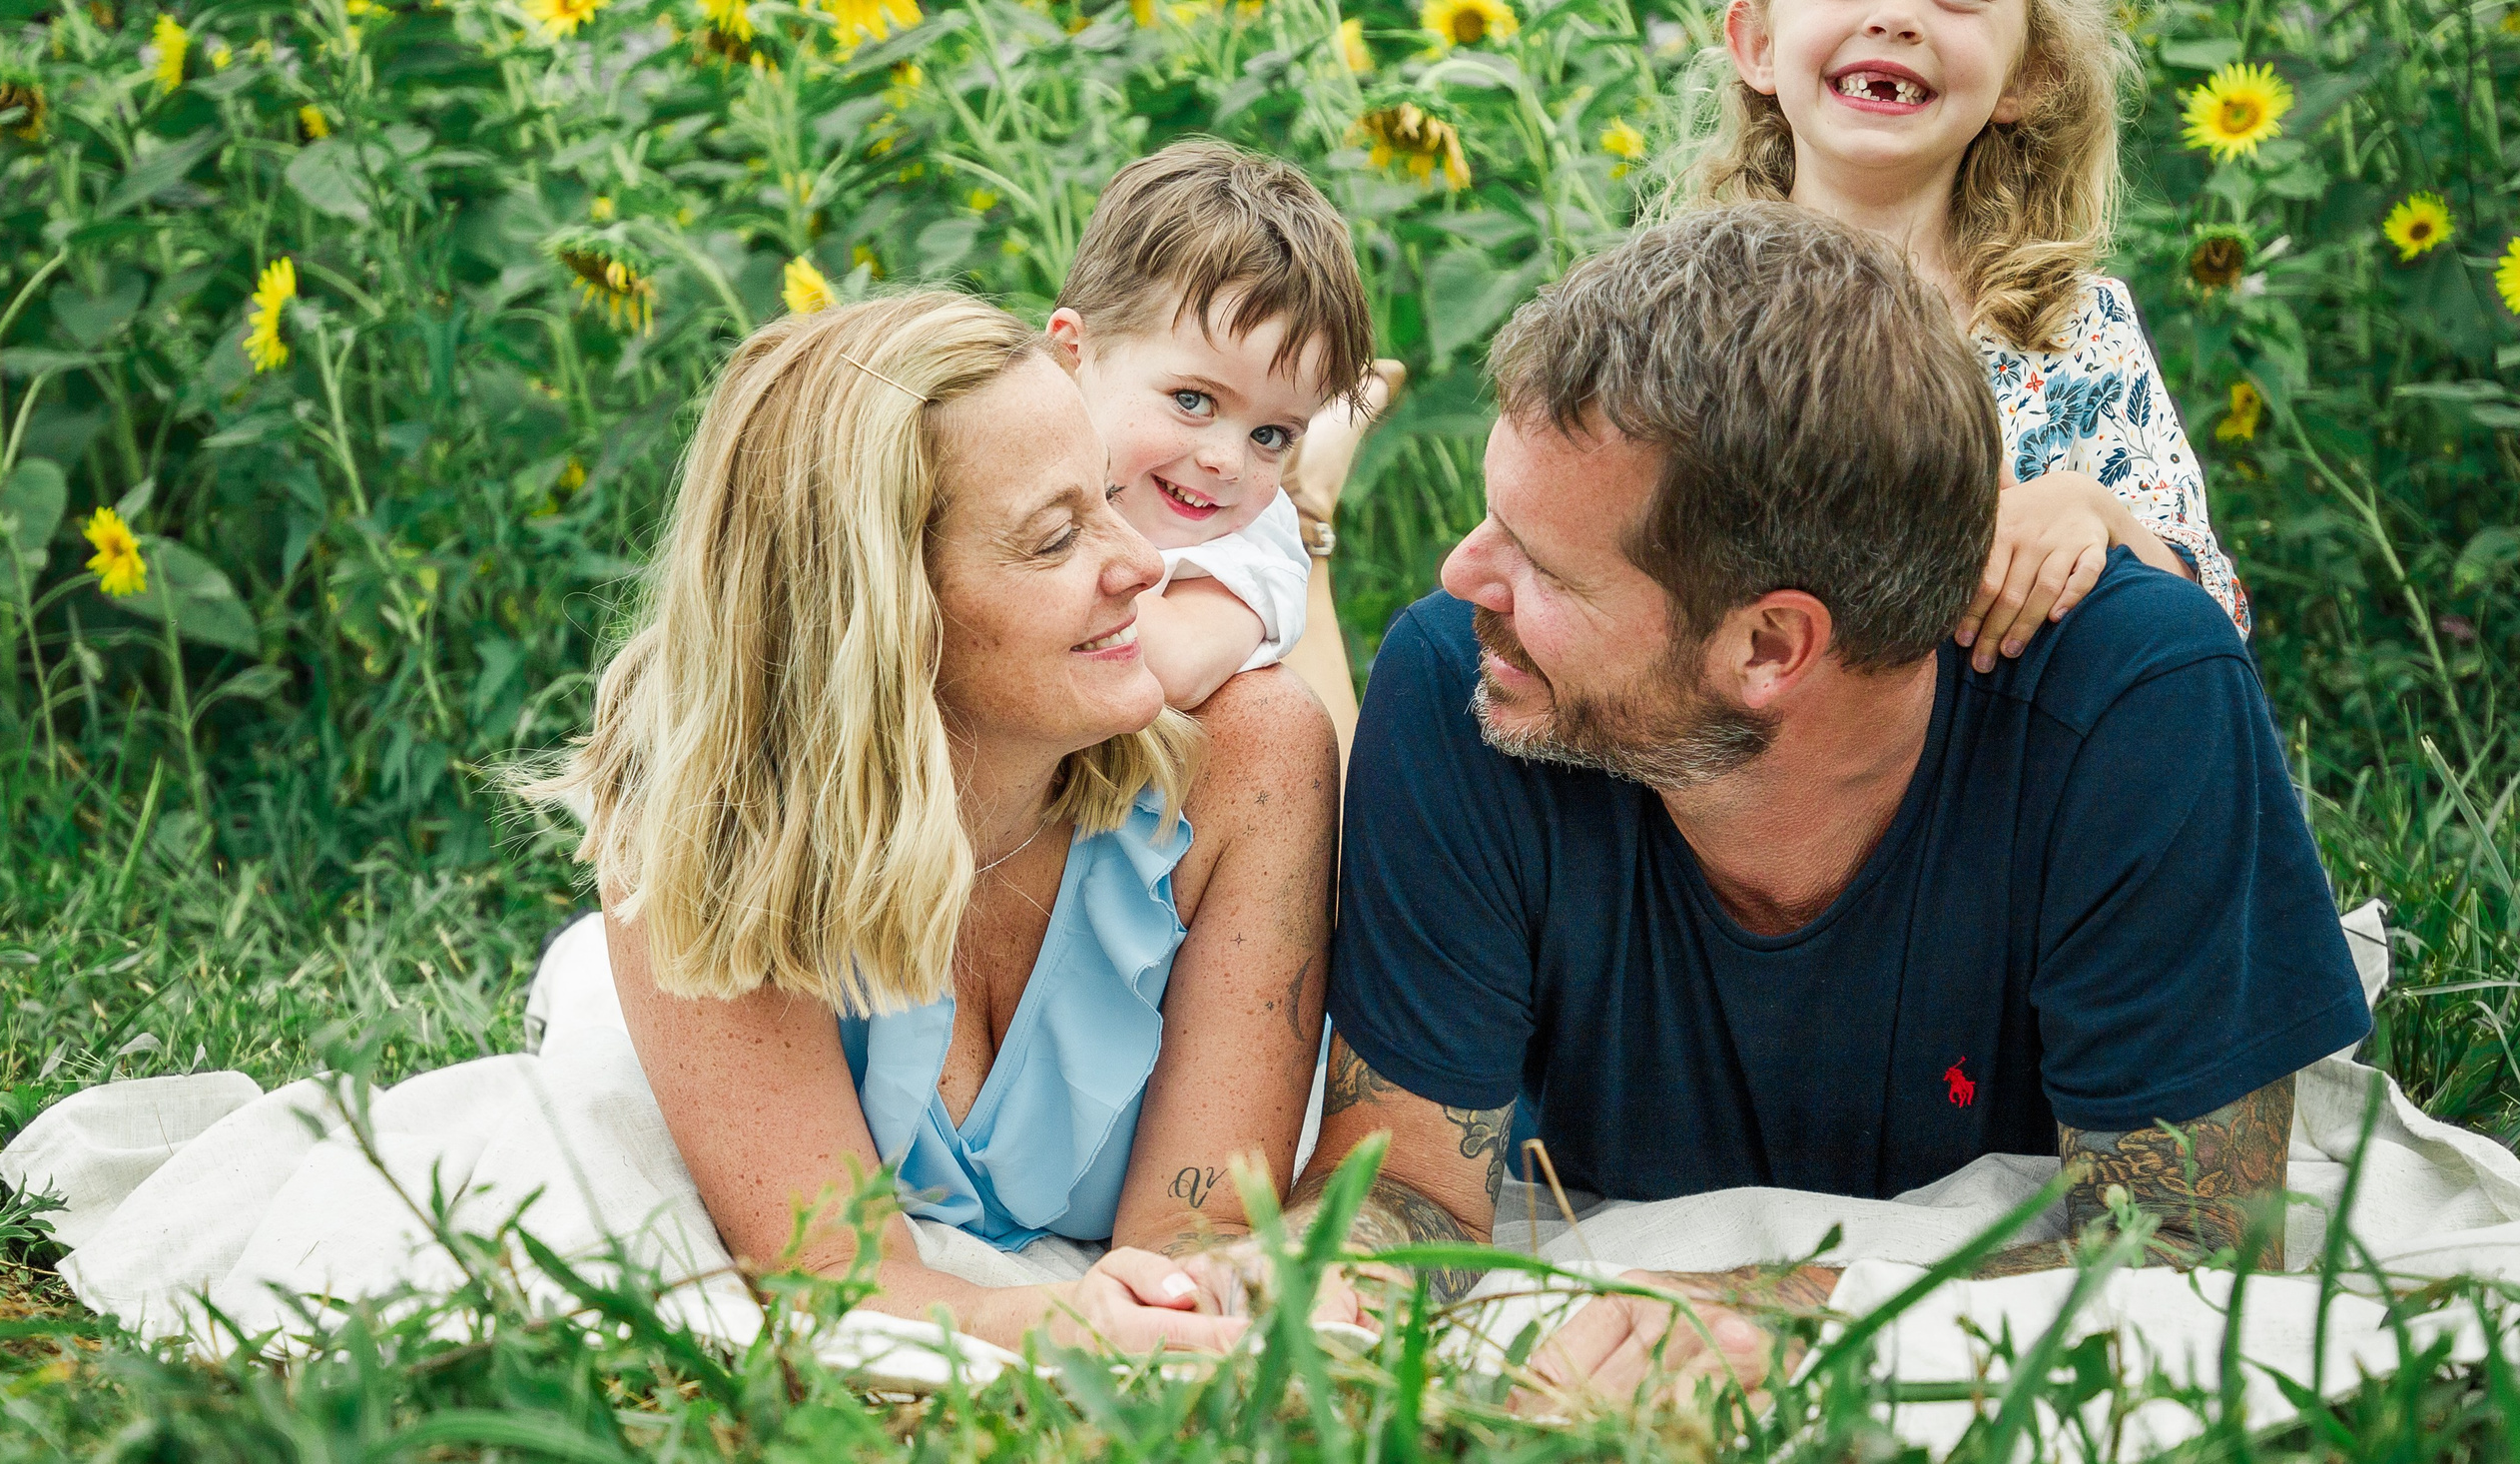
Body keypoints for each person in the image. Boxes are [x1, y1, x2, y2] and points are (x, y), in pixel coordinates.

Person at [1295, 203, 2368, 1402]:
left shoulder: (2132, 700)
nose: (1461, 574)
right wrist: (1308, 1284)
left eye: (1542, 565)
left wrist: (1791, 1319)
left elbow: (2194, 1257)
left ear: (1770, 643)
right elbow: (1410, 1197)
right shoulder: (1465, 685)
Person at [522, 292, 1339, 1355]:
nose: (1144, 565)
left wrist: (1173, 1304)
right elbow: (825, 1269)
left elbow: (1198, 1234)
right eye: (1055, 536)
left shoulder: (1254, 757)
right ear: (877, 606)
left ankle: (1307, 520)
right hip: (749, 891)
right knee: (595, 1038)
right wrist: (1055, 1321)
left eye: (1108, 494)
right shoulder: (702, 814)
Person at [1683, 0, 2248, 669]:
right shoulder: (1680, 316)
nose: (1896, 14)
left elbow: (2209, 632)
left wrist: (2092, 515)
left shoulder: (2070, 333)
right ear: (1756, 42)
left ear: (2030, 74)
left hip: (2007, 764)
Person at [1043, 138, 1386, 715]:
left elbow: (1176, 665)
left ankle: (1307, 514)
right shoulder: (1004, 443)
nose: (1227, 461)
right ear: (1071, 356)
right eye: (1193, 399)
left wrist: (1028, 551)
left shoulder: (1249, 547)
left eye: (1271, 435)